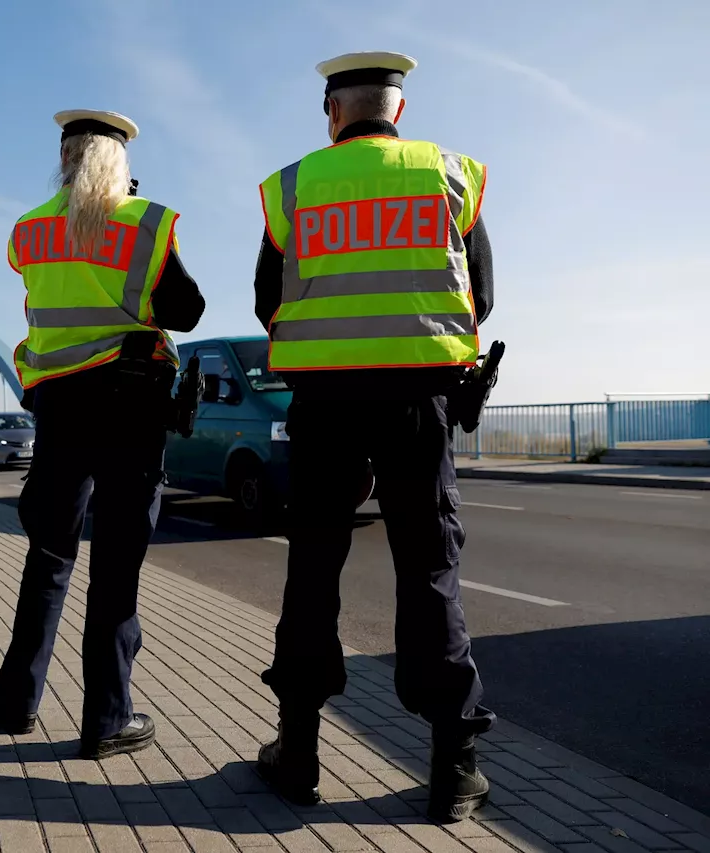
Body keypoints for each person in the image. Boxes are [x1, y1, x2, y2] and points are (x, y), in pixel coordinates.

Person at [252, 53, 496, 822]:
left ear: (333, 112)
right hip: (418, 398)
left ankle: (297, 755)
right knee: (430, 569)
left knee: (313, 569)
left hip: (324, 402)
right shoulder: (447, 175)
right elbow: (480, 294)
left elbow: (268, 303)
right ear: (400, 110)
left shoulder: (294, 187)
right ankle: (454, 766)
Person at [0, 109, 206, 759]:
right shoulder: (143, 223)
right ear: (120, 165)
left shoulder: (31, 230)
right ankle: (107, 717)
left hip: (60, 408)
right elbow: (186, 310)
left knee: (48, 556)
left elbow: (43, 300)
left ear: (65, 158)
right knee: (115, 564)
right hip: (131, 405)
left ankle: (17, 699)